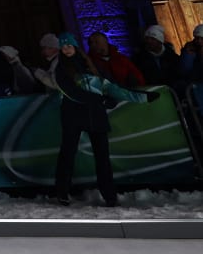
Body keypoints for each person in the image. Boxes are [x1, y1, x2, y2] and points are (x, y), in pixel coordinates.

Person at [51, 32, 158, 208]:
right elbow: (72, 92)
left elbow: (111, 87)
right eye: (63, 47)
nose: (66, 49)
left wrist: (142, 97)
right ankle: (62, 191)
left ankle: (109, 194)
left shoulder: (91, 66)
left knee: (102, 156)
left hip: (95, 115)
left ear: (75, 46)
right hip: (73, 115)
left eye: (69, 45)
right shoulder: (61, 69)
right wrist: (100, 99)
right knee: (68, 154)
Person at [133, 24, 183, 90]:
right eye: (147, 38)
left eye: (152, 39)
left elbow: (179, 73)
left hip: (172, 89)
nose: (149, 41)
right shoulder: (139, 58)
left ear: (160, 41)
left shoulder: (171, 56)